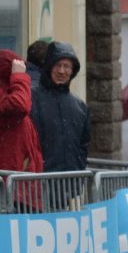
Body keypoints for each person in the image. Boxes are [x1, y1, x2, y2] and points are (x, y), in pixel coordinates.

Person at [30, 41, 90, 172]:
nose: (62, 71)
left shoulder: (80, 106)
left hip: (71, 182)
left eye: (67, 66)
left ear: (72, 70)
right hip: (39, 180)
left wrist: (78, 169)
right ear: (49, 67)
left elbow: (83, 145)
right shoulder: (32, 97)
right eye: (57, 65)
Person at [0, 50, 44, 210]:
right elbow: (20, 105)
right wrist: (19, 78)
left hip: (20, 188)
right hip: (10, 188)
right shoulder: (13, 97)